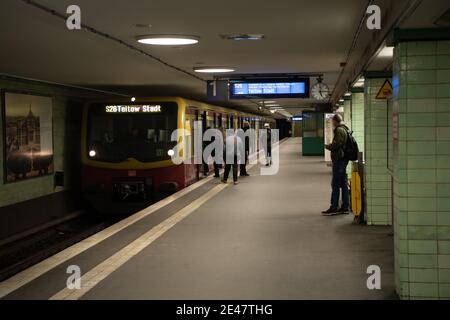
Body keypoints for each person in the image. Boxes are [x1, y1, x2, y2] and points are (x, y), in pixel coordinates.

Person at [322, 114, 350, 216]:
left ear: (335, 121)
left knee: (335, 184)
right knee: (343, 184)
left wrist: (328, 146)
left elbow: (336, 145)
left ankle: (334, 207)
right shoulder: (344, 129)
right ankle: (345, 207)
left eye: (332, 121)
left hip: (339, 160)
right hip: (343, 160)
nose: (332, 123)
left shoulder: (339, 130)